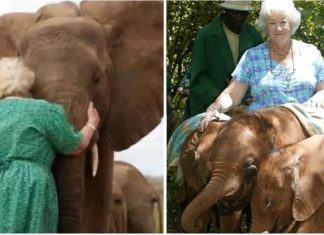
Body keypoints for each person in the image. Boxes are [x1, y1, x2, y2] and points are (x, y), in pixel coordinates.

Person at [0, 57, 100, 232]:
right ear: (26, 82)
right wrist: (91, 123)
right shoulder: (44, 111)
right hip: (33, 185)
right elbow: (75, 145)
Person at [200, 0, 324, 132]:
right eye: (272, 23)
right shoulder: (252, 56)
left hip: (305, 126)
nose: (278, 28)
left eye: (283, 22)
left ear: (292, 23)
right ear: (266, 26)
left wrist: (321, 95)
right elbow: (232, 95)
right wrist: (215, 107)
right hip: (262, 129)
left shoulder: (311, 53)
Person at [189, 0, 263, 117]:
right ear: (225, 11)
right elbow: (198, 78)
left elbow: (262, 71)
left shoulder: (253, 35)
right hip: (209, 105)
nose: (239, 17)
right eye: (235, 13)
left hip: (246, 108)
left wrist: (255, 94)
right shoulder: (205, 35)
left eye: (244, 13)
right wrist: (221, 97)